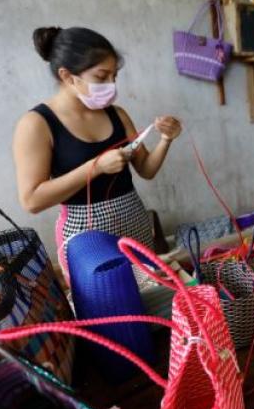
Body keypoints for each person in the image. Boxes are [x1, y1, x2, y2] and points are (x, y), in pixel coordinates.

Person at [13, 26, 182, 273]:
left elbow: (146, 170)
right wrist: (96, 167)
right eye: (102, 77)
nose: (111, 84)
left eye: (114, 76)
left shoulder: (117, 114)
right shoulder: (36, 124)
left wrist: (166, 139)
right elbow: (32, 200)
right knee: (104, 294)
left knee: (148, 292)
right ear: (68, 76)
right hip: (84, 234)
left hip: (134, 222)